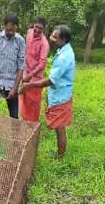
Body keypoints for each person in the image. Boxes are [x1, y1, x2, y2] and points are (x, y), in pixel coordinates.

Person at [19, 25, 75, 158]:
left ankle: (60, 156)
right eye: (52, 35)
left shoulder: (63, 58)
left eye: (55, 37)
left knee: (60, 128)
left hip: (61, 97)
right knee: (59, 127)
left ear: (64, 39)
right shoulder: (64, 50)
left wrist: (30, 85)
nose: (52, 39)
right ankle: (59, 153)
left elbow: (51, 80)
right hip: (60, 93)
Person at [19, 17, 49, 122]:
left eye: (40, 28)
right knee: (24, 99)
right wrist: (23, 72)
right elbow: (25, 51)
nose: (37, 30)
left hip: (35, 77)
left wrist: (30, 75)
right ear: (33, 25)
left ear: (44, 29)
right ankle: (24, 123)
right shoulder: (29, 33)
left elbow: (42, 64)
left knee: (33, 104)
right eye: (36, 26)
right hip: (24, 72)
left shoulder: (44, 43)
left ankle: (32, 127)